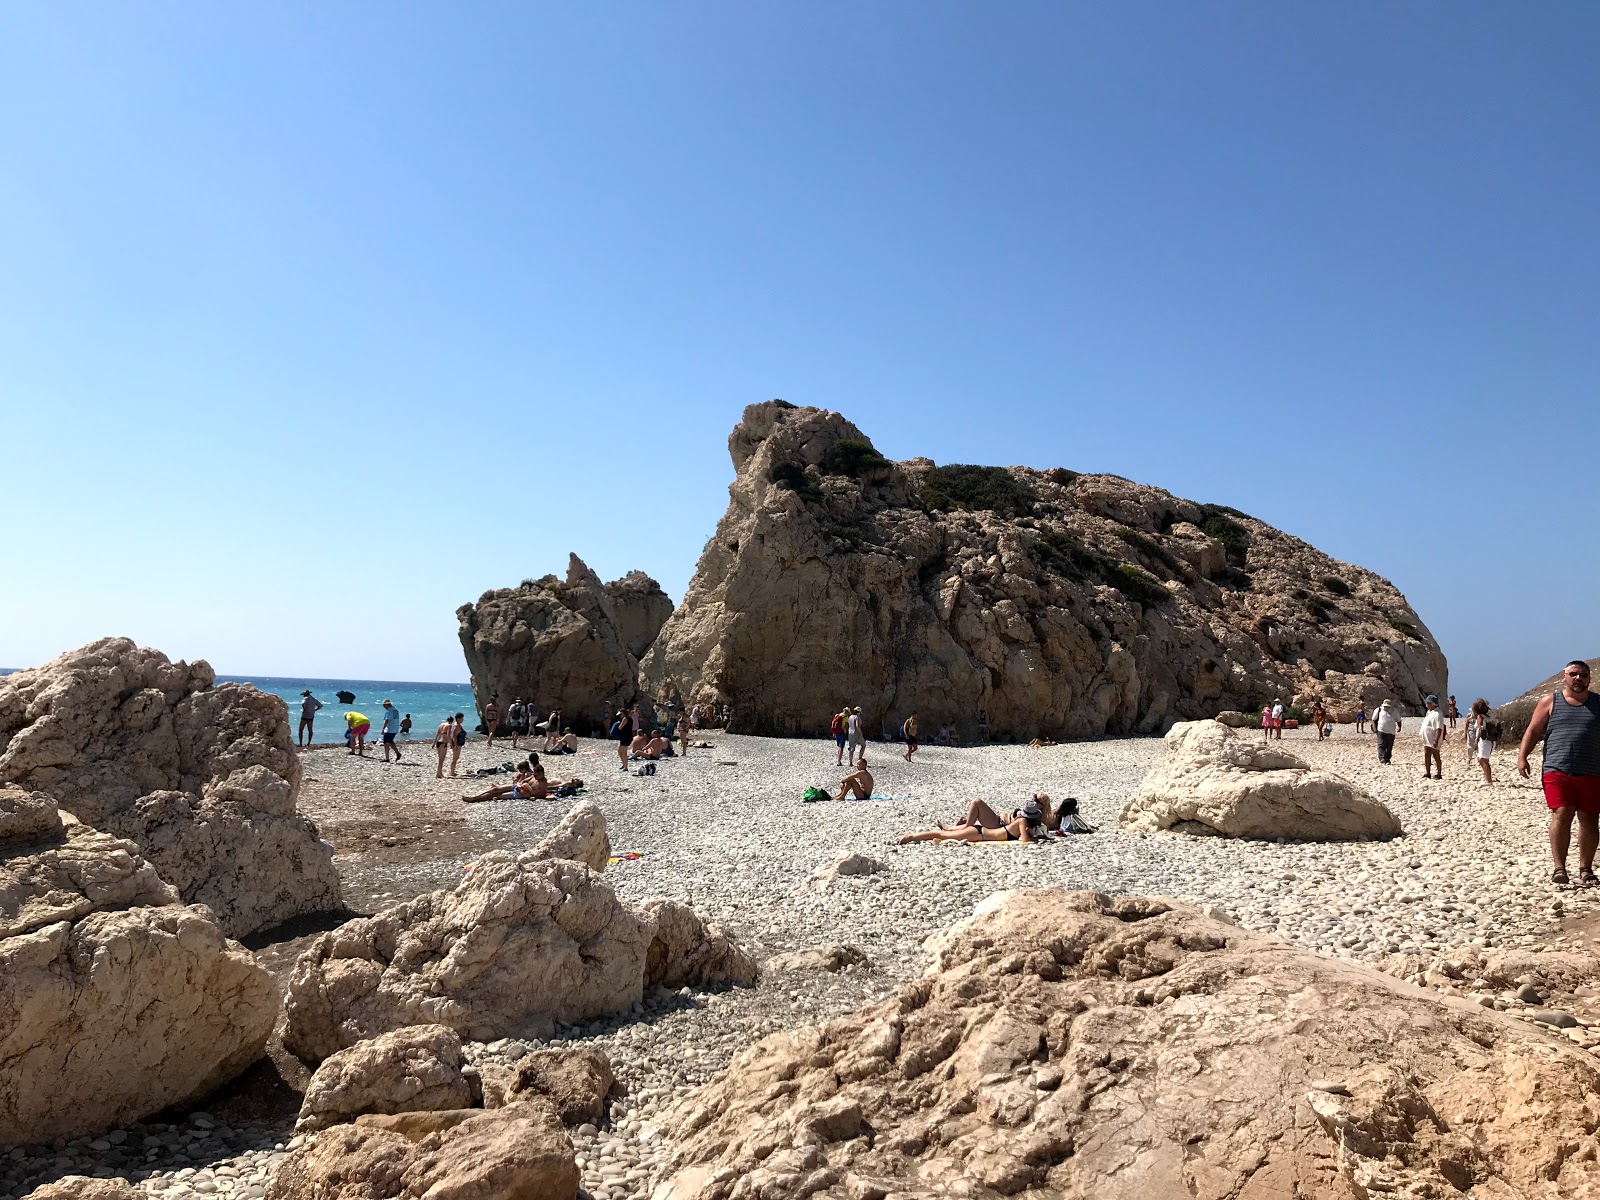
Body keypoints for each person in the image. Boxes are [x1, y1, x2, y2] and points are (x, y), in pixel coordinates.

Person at [1518, 660, 1600, 887]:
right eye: (1573, 674)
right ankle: (1559, 868)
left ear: (1589, 679)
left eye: (1583, 675)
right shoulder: (1549, 701)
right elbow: (1533, 730)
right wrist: (1522, 756)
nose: (1578, 678)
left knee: (1590, 819)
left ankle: (1586, 869)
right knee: (1562, 814)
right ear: (1564, 677)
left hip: (1593, 770)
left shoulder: (1598, 703)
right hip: (1557, 769)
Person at [901, 796, 1049, 844]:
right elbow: (1024, 841)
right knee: (941, 836)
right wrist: (1032, 837)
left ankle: (915, 836)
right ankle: (912, 836)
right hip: (979, 834)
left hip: (981, 832)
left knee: (944, 834)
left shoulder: (1019, 821)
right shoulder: (1022, 822)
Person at [941, 794, 1058, 834]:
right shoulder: (1032, 811)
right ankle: (948, 829)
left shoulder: (1037, 819)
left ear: (1043, 806)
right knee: (973, 820)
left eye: (1036, 800)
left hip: (999, 825)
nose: (1033, 800)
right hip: (997, 820)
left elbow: (1046, 827)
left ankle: (966, 827)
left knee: (977, 802)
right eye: (1034, 796)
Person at [462, 761, 537, 803]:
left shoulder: (529, 775)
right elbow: (518, 782)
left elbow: (524, 785)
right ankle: (475, 798)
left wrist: (519, 780)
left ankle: (475, 799)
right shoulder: (524, 773)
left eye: (521, 770)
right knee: (495, 790)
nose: (520, 772)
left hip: (519, 791)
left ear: (524, 769)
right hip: (516, 787)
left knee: (495, 794)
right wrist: (518, 779)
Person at [1468, 698, 1498, 784]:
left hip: (1484, 740)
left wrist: (1476, 740)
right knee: (1481, 759)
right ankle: (1487, 777)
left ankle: (1488, 780)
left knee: (1483, 759)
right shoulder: (1487, 715)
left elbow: (1480, 728)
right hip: (1489, 740)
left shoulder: (1479, 716)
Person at [1419, 695, 1447, 779]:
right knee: (1426, 754)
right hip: (1427, 738)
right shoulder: (1429, 712)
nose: (1426, 704)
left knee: (1436, 755)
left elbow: (1439, 728)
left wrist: (1436, 740)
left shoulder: (1438, 714)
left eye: (1428, 703)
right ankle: (1428, 772)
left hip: (1433, 738)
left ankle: (1439, 773)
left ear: (1433, 704)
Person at [1373, 699, 1400, 764]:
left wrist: (1399, 727)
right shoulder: (1378, 710)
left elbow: (1398, 720)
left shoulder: (1394, 711)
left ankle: (1387, 759)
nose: (1386, 708)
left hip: (1391, 731)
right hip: (1381, 730)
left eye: (1388, 707)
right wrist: (1374, 728)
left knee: (1389, 746)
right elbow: (1373, 719)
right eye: (1385, 706)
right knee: (1381, 744)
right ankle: (1382, 758)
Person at [450, 712, 467, 776]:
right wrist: (455, 746)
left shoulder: (458, 725)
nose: (462, 720)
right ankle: (452, 772)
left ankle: (453, 771)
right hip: (457, 744)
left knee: (456, 758)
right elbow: (454, 737)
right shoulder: (456, 726)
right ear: (458, 718)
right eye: (461, 718)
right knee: (455, 758)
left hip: (459, 744)